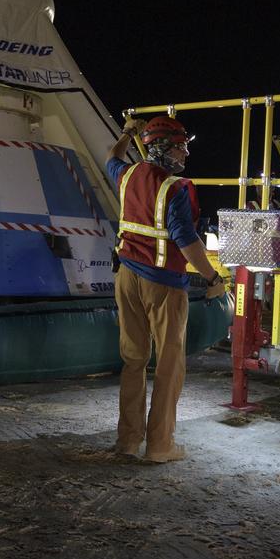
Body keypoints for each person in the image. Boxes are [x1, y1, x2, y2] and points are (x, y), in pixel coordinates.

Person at [106, 115, 226, 463]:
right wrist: (214, 279)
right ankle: (160, 446)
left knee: (133, 360)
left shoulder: (126, 175)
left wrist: (127, 133)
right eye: (180, 146)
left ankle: (128, 441)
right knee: (169, 364)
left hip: (126, 278)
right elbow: (185, 239)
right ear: (163, 148)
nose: (185, 153)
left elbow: (111, 157)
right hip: (164, 286)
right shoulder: (176, 188)